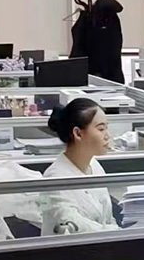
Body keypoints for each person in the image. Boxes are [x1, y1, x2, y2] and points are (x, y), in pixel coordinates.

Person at [39, 98, 118, 235]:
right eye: (101, 129)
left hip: (103, 244)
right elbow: (75, 227)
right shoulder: (55, 179)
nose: (107, 136)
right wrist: (117, 233)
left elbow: (108, 219)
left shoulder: (94, 165)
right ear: (78, 133)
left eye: (107, 128)